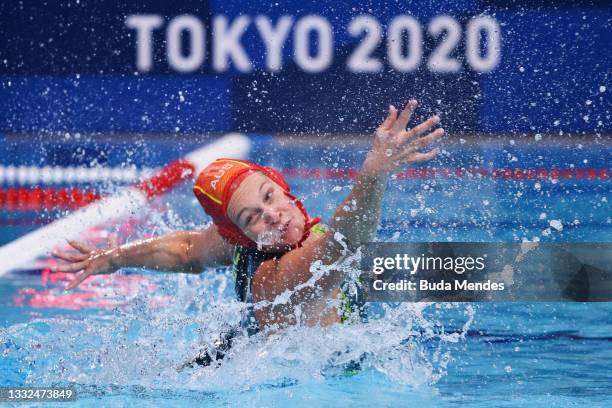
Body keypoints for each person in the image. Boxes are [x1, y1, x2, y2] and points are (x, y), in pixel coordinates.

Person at [51, 99, 443, 345]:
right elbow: (345, 239)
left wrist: (113, 258)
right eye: (251, 217)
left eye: (269, 196)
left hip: (238, 357)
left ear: (282, 186)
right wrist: (372, 175)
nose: (272, 214)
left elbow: (186, 250)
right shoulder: (277, 275)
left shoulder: (240, 242)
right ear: (239, 234)